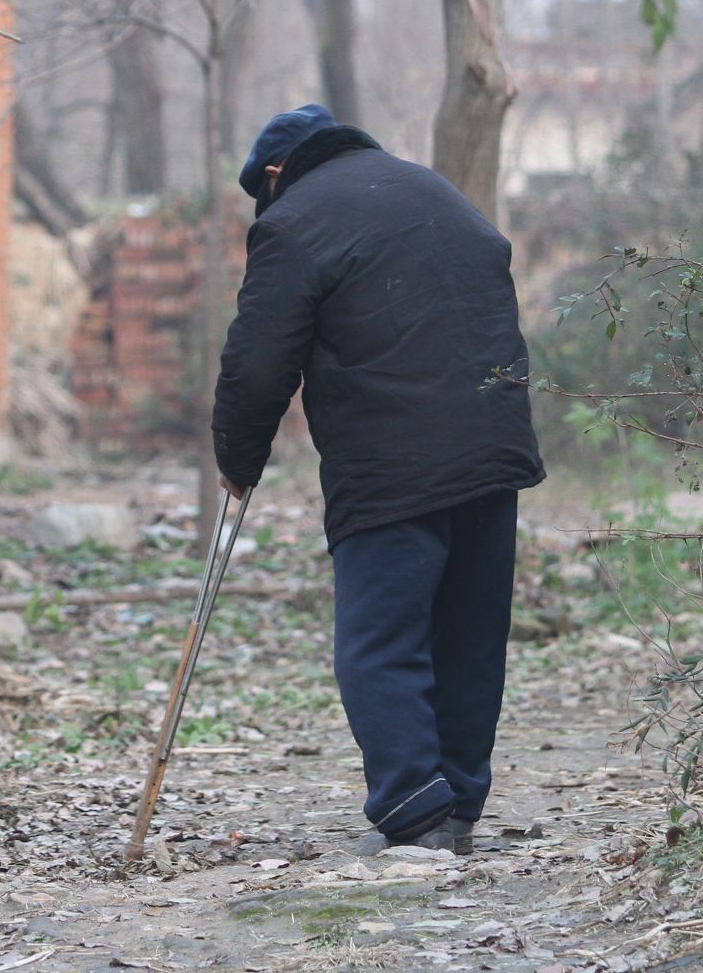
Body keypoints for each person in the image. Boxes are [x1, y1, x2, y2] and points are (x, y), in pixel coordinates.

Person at [209, 103, 545, 855]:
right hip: (492, 445)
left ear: (273, 175)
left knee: (378, 642)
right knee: (468, 634)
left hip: (389, 464)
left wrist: (238, 457)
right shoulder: (431, 189)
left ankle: (412, 810)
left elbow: (259, 359)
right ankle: (455, 805)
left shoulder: (292, 222)